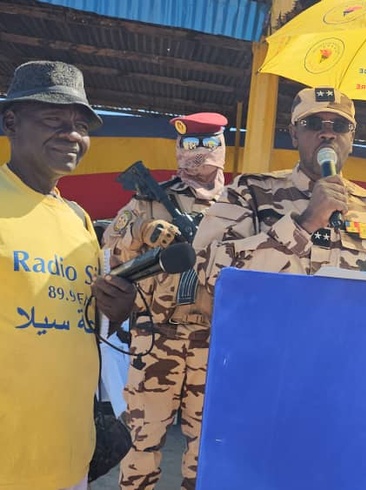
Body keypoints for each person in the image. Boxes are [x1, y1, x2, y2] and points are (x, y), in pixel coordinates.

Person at [0, 60, 135, 490]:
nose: (73, 134)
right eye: (54, 119)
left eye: (81, 124)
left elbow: (82, 325)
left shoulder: (79, 220)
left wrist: (116, 311)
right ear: (11, 122)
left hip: (69, 457)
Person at [193, 87, 366, 316]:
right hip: (270, 346)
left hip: (347, 347)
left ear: (351, 139)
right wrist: (304, 226)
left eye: (340, 126)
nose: (327, 134)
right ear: (294, 134)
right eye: (313, 123)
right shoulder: (249, 192)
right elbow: (207, 273)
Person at [102, 112, 229, 489]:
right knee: (141, 441)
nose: (200, 153)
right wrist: (140, 232)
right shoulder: (149, 200)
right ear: (178, 148)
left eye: (209, 144)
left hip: (214, 341)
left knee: (206, 446)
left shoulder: (240, 205)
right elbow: (109, 254)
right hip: (156, 337)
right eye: (191, 144)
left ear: (223, 147)